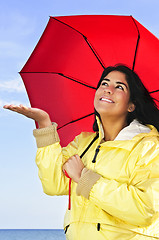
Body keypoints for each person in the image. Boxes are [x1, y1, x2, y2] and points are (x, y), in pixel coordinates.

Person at [4, 65, 159, 239]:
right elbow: (53, 184)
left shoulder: (149, 147)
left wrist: (84, 177)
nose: (108, 90)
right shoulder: (83, 142)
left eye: (119, 87)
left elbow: (145, 209)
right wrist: (45, 125)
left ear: (131, 105)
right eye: (104, 83)